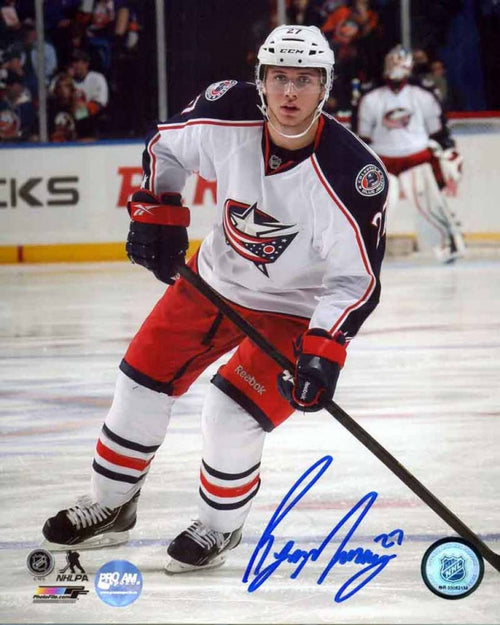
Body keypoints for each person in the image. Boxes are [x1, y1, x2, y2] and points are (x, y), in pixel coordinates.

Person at [41, 25, 388, 573]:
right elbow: (166, 148)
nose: (290, 93)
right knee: (140, 380)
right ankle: (111, 505)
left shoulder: (353, 174)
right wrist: (159, 212)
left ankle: (221, 527)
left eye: (304, 80)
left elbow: (354, 282)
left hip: (292, 307)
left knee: (231, 412)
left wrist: (322, 353)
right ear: (261, 81)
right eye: (279, 78)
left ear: (326, 87)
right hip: (213, 281)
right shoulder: (227, 111)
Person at [355, 44, 465, 263]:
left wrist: (448, 150)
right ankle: (360, 252)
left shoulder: (422, 93)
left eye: (399, 62)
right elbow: (361, 137)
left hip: (417, 158)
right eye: (391, 62)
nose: (395, 68)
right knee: (374, 210)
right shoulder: (370, 97)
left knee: (430, 208)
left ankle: (447, 246)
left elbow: (438, 130)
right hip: (382, 161)